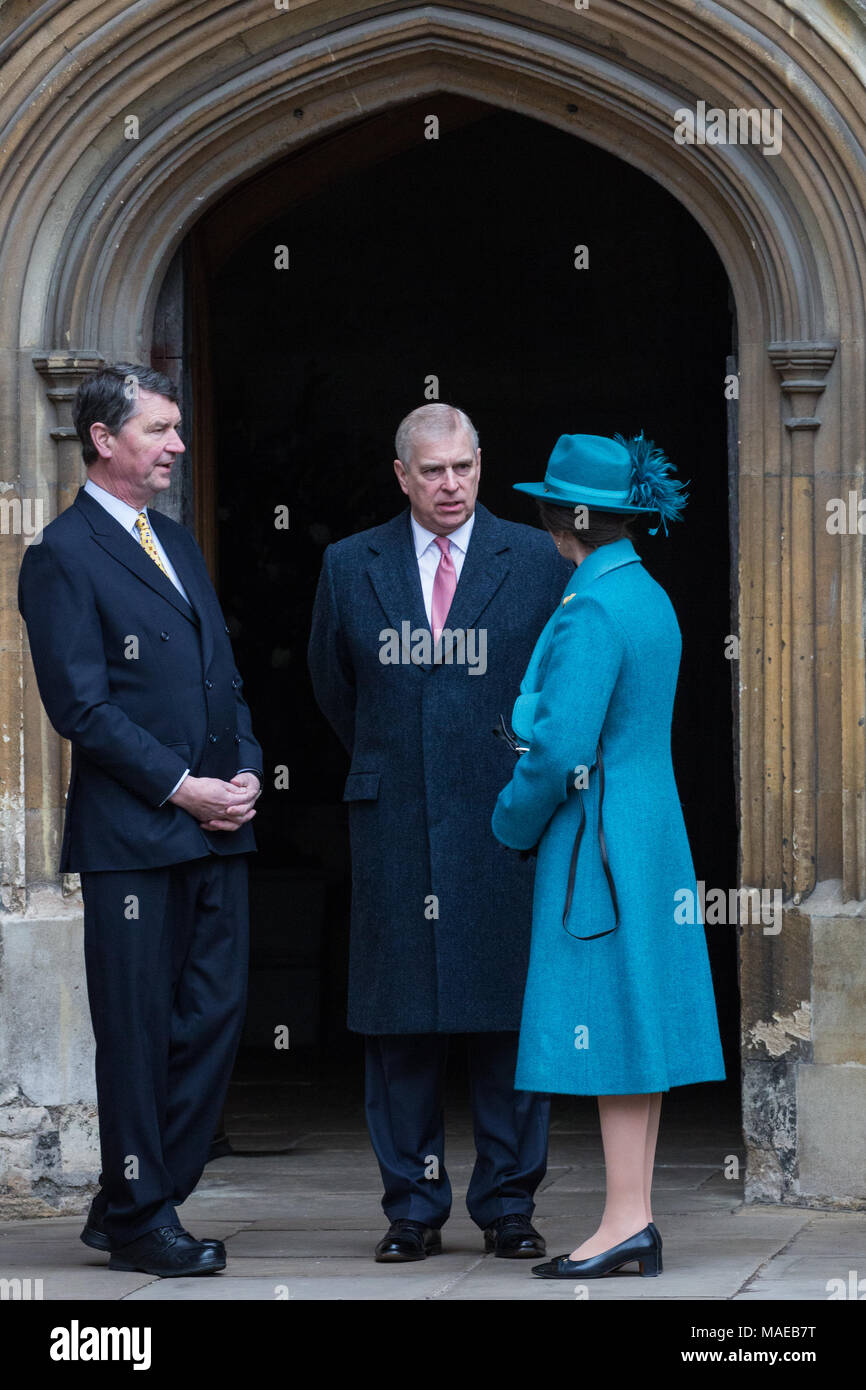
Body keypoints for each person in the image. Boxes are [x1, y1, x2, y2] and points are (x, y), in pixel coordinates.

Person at [308, 404, 571, 1262]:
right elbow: (333, 686)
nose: (450, 484)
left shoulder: (536, 558)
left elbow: (558, 684)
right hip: (395, 823)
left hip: (506, 818)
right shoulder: (350, 565)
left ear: (481, 465)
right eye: (432, 471)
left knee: (506, 1021)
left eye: (463, 467)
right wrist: (399, 758)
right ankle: (412, 1211)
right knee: (401, 1026)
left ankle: (507, 1207)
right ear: (402, 476)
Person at [18, 363, 263, 1278]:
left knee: (215, 1016)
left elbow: (219, 675)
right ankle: (141, 1220)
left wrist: (243, 765)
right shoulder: (62, 556)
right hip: (136, 839)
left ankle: (134, 1191)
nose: (177, 445)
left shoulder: (177, 541)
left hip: (219, 828)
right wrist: (182, 787)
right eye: (159, 430)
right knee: (136, 1030)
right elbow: (80, 708)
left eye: (175, 428)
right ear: (103, 440)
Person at [491, 432, 726, 1279]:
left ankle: (627, 1221)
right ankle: (633, 1218)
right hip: (649, 832)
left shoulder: (589, 606)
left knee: (612, 1023)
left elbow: (558, 751)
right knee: (636, 1018)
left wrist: (510, 823)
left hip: (600, 842)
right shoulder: (646, 594)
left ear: (566, 518)